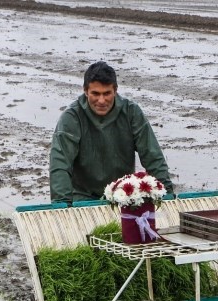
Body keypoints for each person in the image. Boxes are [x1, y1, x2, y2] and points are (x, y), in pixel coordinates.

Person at [49, 61, 175, 205]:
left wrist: (167, 194)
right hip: (83, 197)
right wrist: (61, 204)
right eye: (95, 94)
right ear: (85, 91)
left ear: (115, 90)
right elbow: (60, 164)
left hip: (122, 195)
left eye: (107, 93)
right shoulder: (71, 117)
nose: (101, 100)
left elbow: (153, 157)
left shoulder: (131, 112)